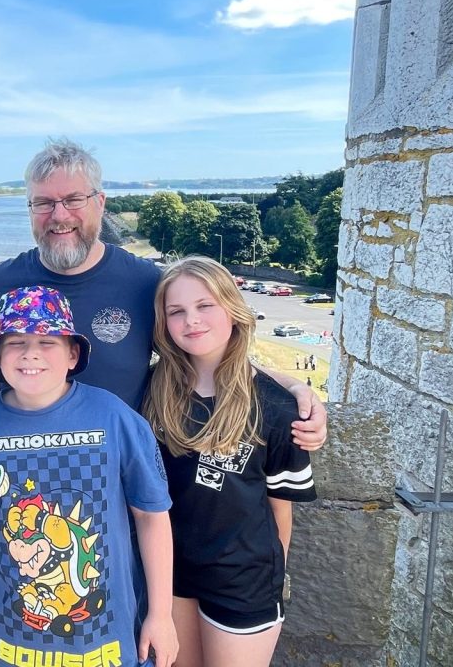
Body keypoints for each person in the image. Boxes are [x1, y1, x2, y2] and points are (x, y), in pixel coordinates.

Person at [0, 138, 328, 451]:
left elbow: (212, 360)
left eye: (73, 200)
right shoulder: (2, 282)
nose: (59, 215)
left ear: (100, 203)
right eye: (44, 203)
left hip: (118, 480)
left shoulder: (146, 283)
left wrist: (294, 387)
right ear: (30, 209)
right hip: (23, 474)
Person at [0, 285, 177, 667]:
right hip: (10, 643)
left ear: (73, 353)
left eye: (47, 341)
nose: (30, 353)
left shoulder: (114, 417)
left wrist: (161, 616)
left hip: (107, 643)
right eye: (15, 342)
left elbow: (151, 516)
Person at [143, 256, 317, 667]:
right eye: (177, 311)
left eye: (206, 305)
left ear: (232, 310)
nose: (192, 320)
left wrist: (274, 580)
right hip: (171, 573)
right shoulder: (151, 390)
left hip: (244, 579)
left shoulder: (275, 407)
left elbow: (280, 508)